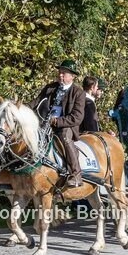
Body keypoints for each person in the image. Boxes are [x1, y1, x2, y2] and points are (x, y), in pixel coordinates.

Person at [31, 59, 86, 187]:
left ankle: (76, 174)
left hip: (66, 127)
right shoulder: (50, 88)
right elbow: (35, 103)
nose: (60, 75)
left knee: (65, 136)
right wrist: (20, 108)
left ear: (72, 76)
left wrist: (57, 121)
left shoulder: (78, 93)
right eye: (60, 72)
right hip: (45, 124)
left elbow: (77, 117)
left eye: (64, 73)